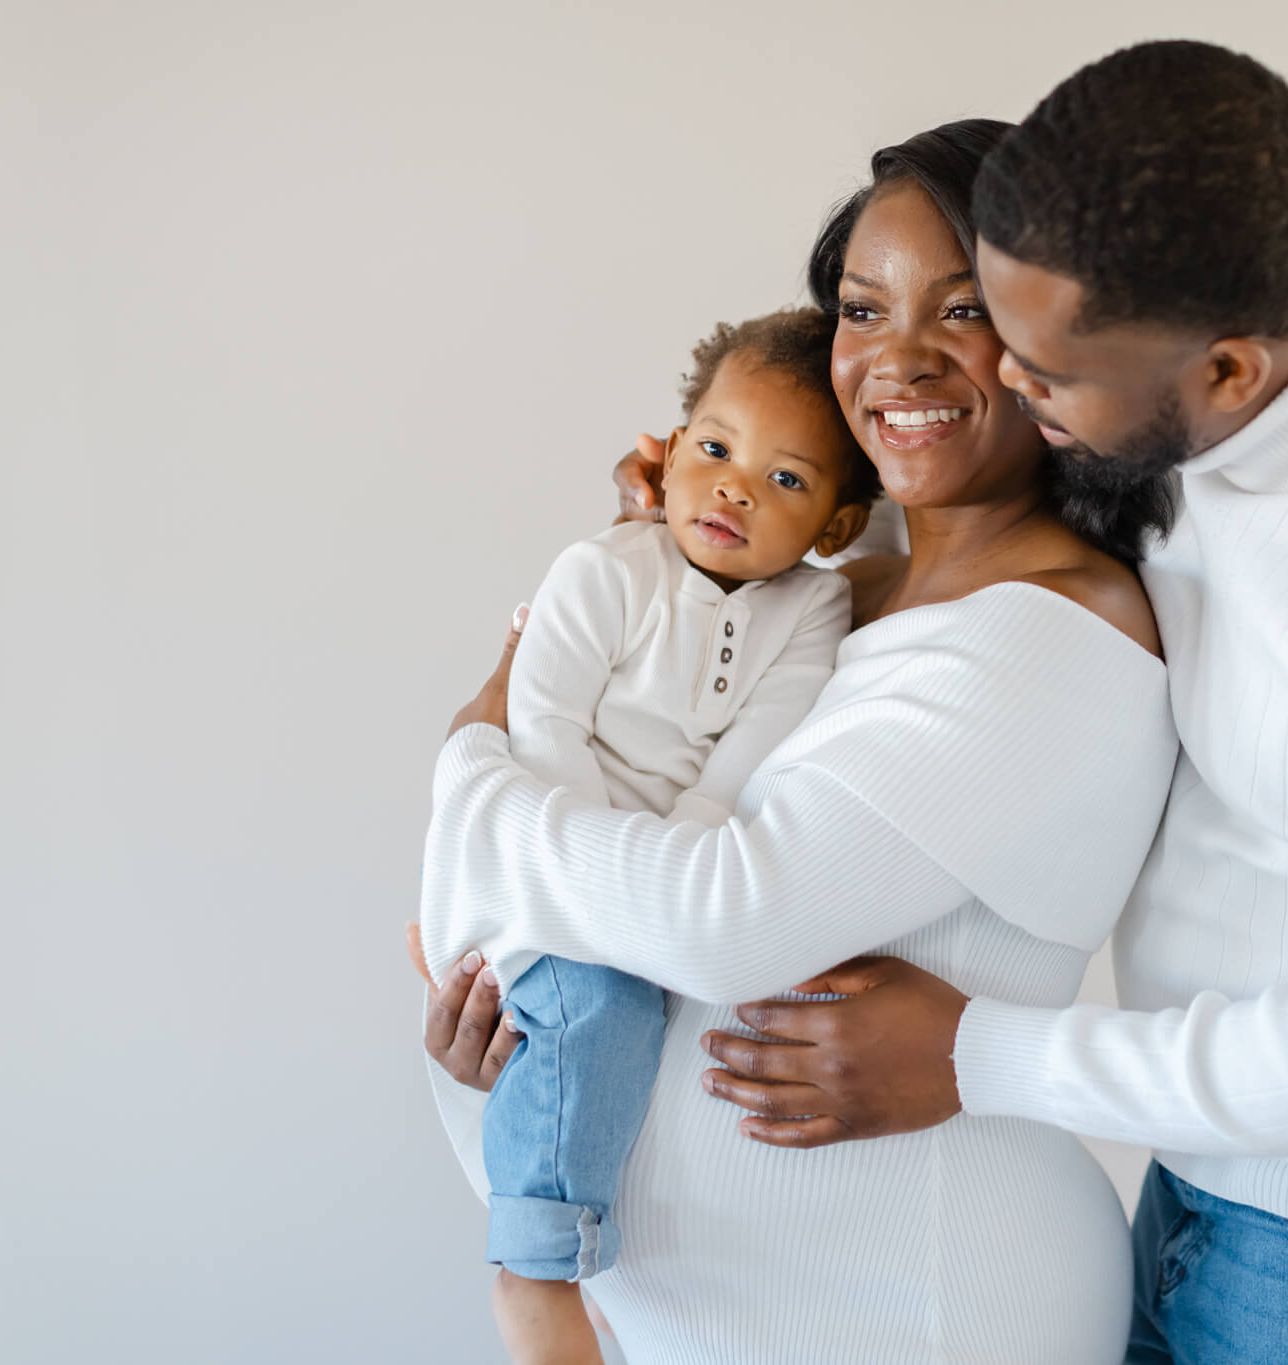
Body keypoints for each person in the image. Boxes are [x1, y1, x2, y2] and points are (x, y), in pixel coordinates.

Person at [694, 42, 1288, 1365]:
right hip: (1219, 1158)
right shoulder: (1241, 318)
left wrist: (980, 1057)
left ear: (1227, 373)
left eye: (1042, 372)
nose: (1012, 392)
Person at [416, 119, 1178, 1364]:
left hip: (918, 1311)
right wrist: (510, 999)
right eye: (862, 310)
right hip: (712, 1318)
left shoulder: (1048, 634)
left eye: (963, 308)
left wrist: (471, 781)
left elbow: (722, 921)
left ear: (1061, 335)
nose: (898, 360)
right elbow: (622, 743)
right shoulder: (839, 591)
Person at [418, 307, 880, 1362]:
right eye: (715, 451)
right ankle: (534, 1268)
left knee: (625, 1014)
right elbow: (540, 729)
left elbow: (749, 756)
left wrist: (679, 862)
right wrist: (618, 883)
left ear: (837, 526)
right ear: (663, 457)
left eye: (787, 480)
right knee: (595, 1010)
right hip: (540, 863)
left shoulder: (809, 612)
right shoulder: (606, 568)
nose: (735, 488)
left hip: (660, 872)